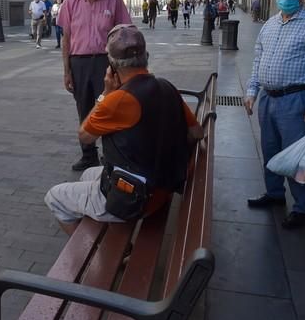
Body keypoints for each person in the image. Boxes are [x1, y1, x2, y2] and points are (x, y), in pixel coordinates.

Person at [45, 24, 203, 234]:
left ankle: (95, 258)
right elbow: (196, 133)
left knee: (55, 197)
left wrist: (105, 93)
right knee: (87, 175)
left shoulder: (119, 100)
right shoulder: (166, 86)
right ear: (146, 56)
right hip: (163, 187)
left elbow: (85, 136)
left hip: (137, 199)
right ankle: (105, 236)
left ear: (111, 64)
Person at [244, 0, 305, 230]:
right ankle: (274, 194)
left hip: (296, 100)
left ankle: (303, 209)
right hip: (268, 100)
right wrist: (252, 91)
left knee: (297, 157)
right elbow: (258, 61)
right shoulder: (269, 25)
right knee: (270, 150)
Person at [59, 0, 132, 172]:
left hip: (105, 63)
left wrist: (121, 69)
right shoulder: (70, 2)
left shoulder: (114, 0)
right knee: (84, 110)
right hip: (79, 63)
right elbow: (66, 39)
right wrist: (67, 72)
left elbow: (125, 33)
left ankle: (111, 157)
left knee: (109, 108)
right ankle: (89, 156)